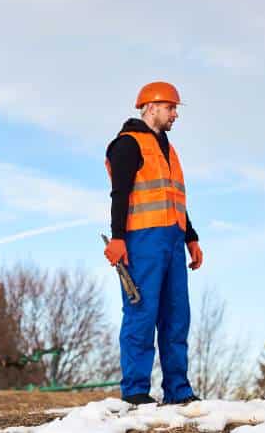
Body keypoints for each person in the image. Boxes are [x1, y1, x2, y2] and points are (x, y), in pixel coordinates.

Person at [104, 81, 203, 406]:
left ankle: (178, 390)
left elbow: (174, 197)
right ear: (150, 108)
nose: (175, 114)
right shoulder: (128, 145)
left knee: (177, 316)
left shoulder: (167, 148)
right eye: (170, 107)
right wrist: (117, 237)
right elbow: (119, 193)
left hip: (172, 241)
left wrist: (191, 238)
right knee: (142, 315)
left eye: (175, 108)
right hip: (141, 241)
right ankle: (135, 390)